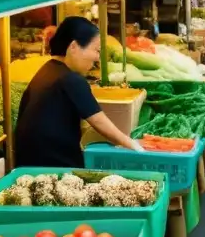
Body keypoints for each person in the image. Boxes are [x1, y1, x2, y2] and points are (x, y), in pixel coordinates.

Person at [14, 17, 139, 168]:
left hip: (29, 163)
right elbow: (99, 122)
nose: (97, 58)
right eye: (96, 50)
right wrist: (132, 145)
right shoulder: (70, 79)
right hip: (53, 167)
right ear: (73, 46)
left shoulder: (47, 70)